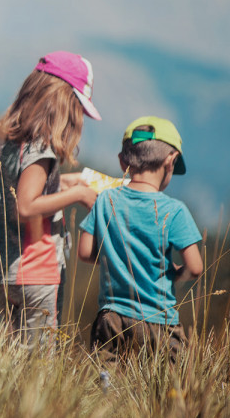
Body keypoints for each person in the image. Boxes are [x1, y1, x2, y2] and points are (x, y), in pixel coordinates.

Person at [0, 51, 101, 347]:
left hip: (5, 269)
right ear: (60, 102)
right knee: (38, 369)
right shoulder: (41, 150)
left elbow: (20, 187)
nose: (78, 118)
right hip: (36, 269)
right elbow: (26, 206)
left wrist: (69, 181)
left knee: (12, 356)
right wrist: (78, 194)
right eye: (77, 107)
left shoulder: (10, 141)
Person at [77, 116, 204, 365]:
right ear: (171, 160)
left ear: (123, 161)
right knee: (163, 392)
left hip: (111, 318)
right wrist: (175, 274)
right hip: (160, 322)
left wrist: (116, 261)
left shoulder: (105, 200)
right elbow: (196, 267)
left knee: (107, 391)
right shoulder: (175, 210)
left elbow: (84, 251)